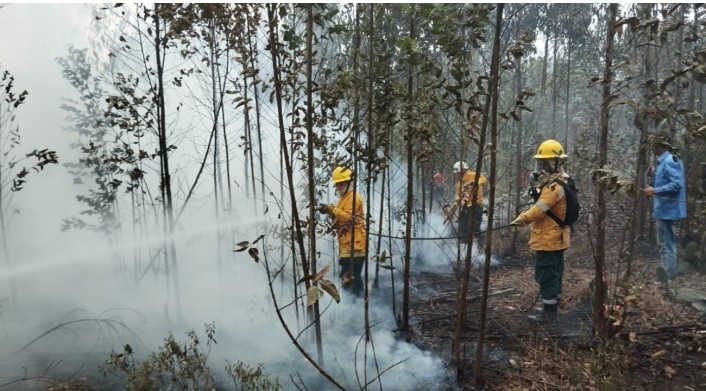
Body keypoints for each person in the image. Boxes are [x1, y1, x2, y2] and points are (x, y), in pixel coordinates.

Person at [510, 139, 571, 323]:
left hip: (548, 238)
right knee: (555, 271)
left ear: (555, 163)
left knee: (546, 273)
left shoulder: (554, 187)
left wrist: (521, 219)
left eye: (545, 163)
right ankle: (552, 305)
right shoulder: (561, 181)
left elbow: (538, 210)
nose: (541, 167)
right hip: (557, 237)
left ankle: (548, 313)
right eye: (541, 163)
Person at [642, 131, 686, 282]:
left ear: (660, 146)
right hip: (664, 209)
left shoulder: (669, 161)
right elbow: (665, 181)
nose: (653, 148)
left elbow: (676, 184)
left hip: (668, 211)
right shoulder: (664, 162)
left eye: (654, 145)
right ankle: (668, 277)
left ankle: (668, 279)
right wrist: (653, 176)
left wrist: (654, 190)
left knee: (667, 245)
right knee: (665, 244)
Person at [318, 166, 367, 297]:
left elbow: (348, 218)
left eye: (341, 184)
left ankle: (353, 307)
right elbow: (340, 217)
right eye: (337, 185)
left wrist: (332, 210)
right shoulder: (344, 198)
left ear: (349, 182)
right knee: (351, 278)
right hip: (347, 246)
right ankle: (356, 306)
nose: (338, 187)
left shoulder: (354, 197)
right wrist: (328, 210)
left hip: (354, 247)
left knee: (350, 279)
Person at [449, 161, 488, 245]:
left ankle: (481, 246)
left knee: (475, 228)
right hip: (466, 207)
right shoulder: (460, 183)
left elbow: (483, 180)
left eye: (458, 172)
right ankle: (464, 246)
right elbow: (458, 195)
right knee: (462, 228)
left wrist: (474, 183)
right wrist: (460, 200)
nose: (457, 174)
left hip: (477, 205)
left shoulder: (474, 175)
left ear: (463, 170)